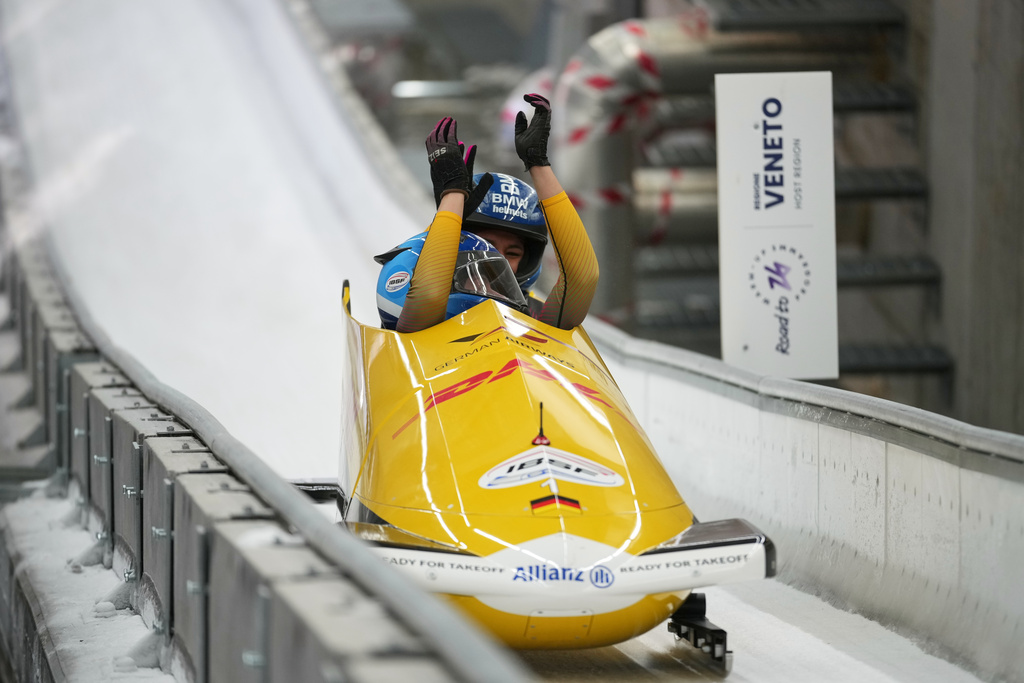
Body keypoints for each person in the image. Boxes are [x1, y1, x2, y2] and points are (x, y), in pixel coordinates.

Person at [376, 94, 598, 333]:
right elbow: (429, 295)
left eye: (512, 253)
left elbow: (583, 279)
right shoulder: (424, 310)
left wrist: (539, 164)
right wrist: (451, 200)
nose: (497, 261)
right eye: (486, 247)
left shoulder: (536, 318)